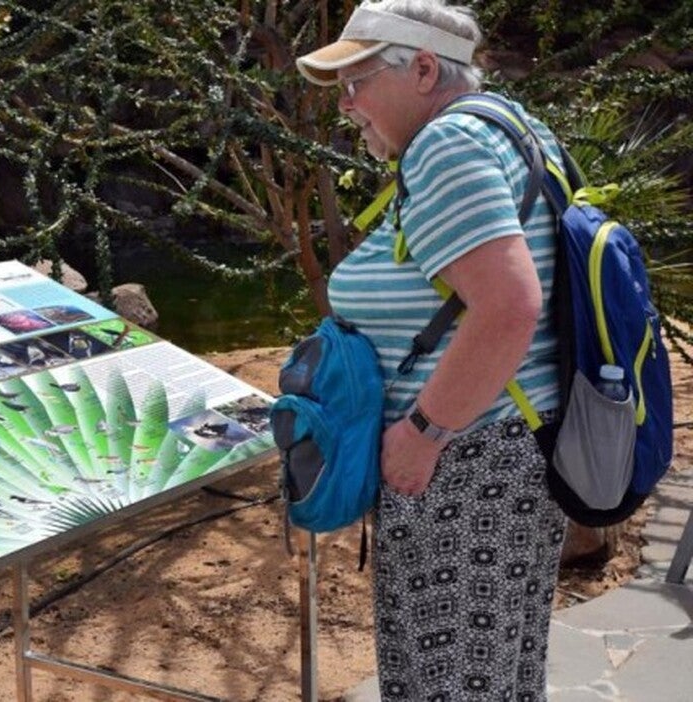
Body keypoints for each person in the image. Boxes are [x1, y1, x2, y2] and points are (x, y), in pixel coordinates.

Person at [296, 1, 567, 700]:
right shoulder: (513, 127)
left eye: (356, 82)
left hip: (465, 468)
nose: (347, 105)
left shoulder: (447, 146)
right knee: (495, 677)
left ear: (421, 69)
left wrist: (422, 433)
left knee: (447, 685)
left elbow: (509, 306)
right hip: (509, 457)